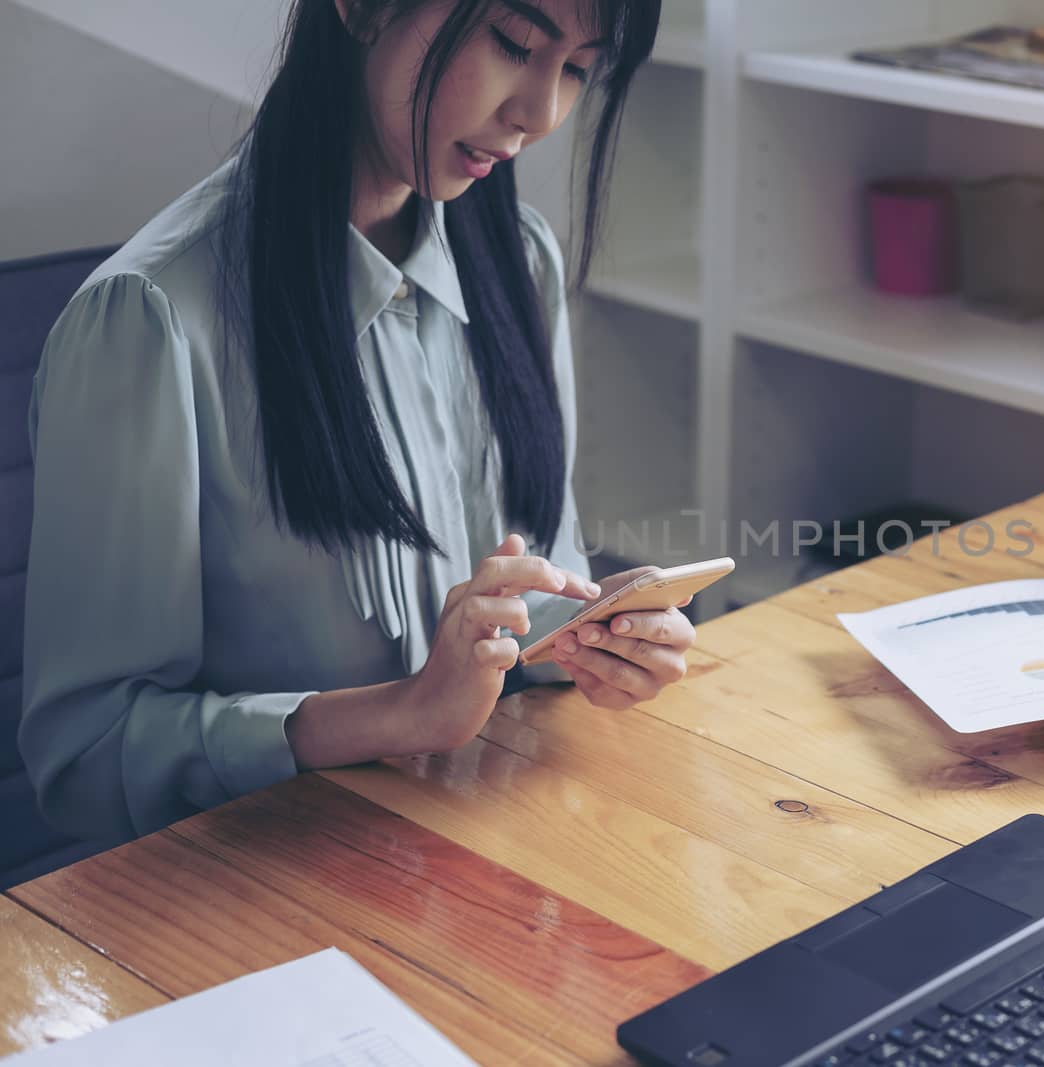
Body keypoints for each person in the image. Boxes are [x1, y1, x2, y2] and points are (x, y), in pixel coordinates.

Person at [20, 0, 684, 844]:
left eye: (579, 70)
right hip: (264, 891)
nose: (541, 113)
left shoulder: (520, 260)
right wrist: (401, 714)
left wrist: (602, 637)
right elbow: (86, 759)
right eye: (514, 43)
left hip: (481, 846)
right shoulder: (150, 319)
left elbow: (535, 595)